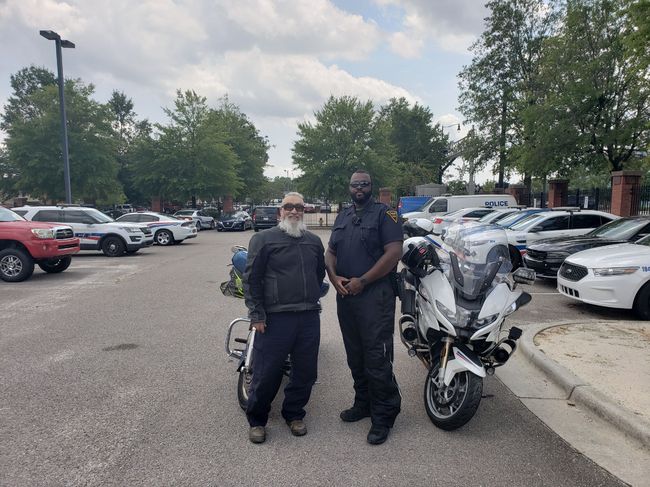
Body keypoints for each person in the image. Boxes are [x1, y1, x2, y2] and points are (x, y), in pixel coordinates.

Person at [325, 169, 403, 445]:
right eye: (355, 184)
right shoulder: (343, 215)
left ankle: (383, 415)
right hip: (346, 295)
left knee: (376, 356)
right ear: (349, 187)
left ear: (371, 186)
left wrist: (364, 280)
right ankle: (363, 403)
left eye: (364, 184)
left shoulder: (386, 214)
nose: (359, 188)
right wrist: (333, 277)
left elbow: (394, 252)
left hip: (375, 295)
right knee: (355, 354)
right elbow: (330, 251)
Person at [243, 192, 326, 444]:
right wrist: (257, 314)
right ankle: (257, 420)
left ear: (304, 211)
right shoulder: (263, 239)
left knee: (306, 372)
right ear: (280, 212)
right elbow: (251, 280)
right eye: (288, 207)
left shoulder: (314, 242)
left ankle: (294, 414)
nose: (294, 211)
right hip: (275, 318)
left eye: (299, 207)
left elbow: (318, 274)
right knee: (267, 372)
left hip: (308, 316)